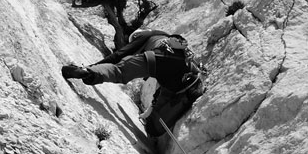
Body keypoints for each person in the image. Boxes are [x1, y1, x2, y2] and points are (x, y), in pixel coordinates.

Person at [61, 28, 205, 137]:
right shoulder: (173, 43)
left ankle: (87, 73)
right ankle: (155, 126)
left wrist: (92, 67)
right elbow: (164, 81)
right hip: (180, 74)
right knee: (156, 121)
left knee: (118, 72)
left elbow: (119, 55)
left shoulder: (145, 36)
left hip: (155, 60)